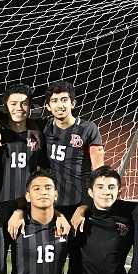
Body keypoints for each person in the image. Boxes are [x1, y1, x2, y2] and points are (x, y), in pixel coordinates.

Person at [41, 81, 104, 216]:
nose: (60, 105)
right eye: (54, 101)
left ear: (73, 103)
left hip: (80, 202)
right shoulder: (44, 128)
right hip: (52, 203)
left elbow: (98, 171)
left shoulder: (88, 129)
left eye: (64, 100)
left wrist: (85, 206)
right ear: (48, 106)